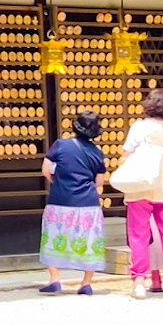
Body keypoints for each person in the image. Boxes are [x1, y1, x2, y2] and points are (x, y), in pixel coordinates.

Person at [121, 89, 163, 300]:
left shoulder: (140, 127)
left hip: (141, 186)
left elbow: (125, 152)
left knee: (139, 235)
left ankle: (139, 283)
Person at [38, 111, 106, 294]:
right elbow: (99, 181)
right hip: (88, 204)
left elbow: (46, 170)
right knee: (89, 240)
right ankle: (86, 283)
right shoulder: (97, 153)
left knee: (54, 236)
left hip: (60, 200)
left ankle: (54, 279)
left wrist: (58, 182)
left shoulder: (60, 145)